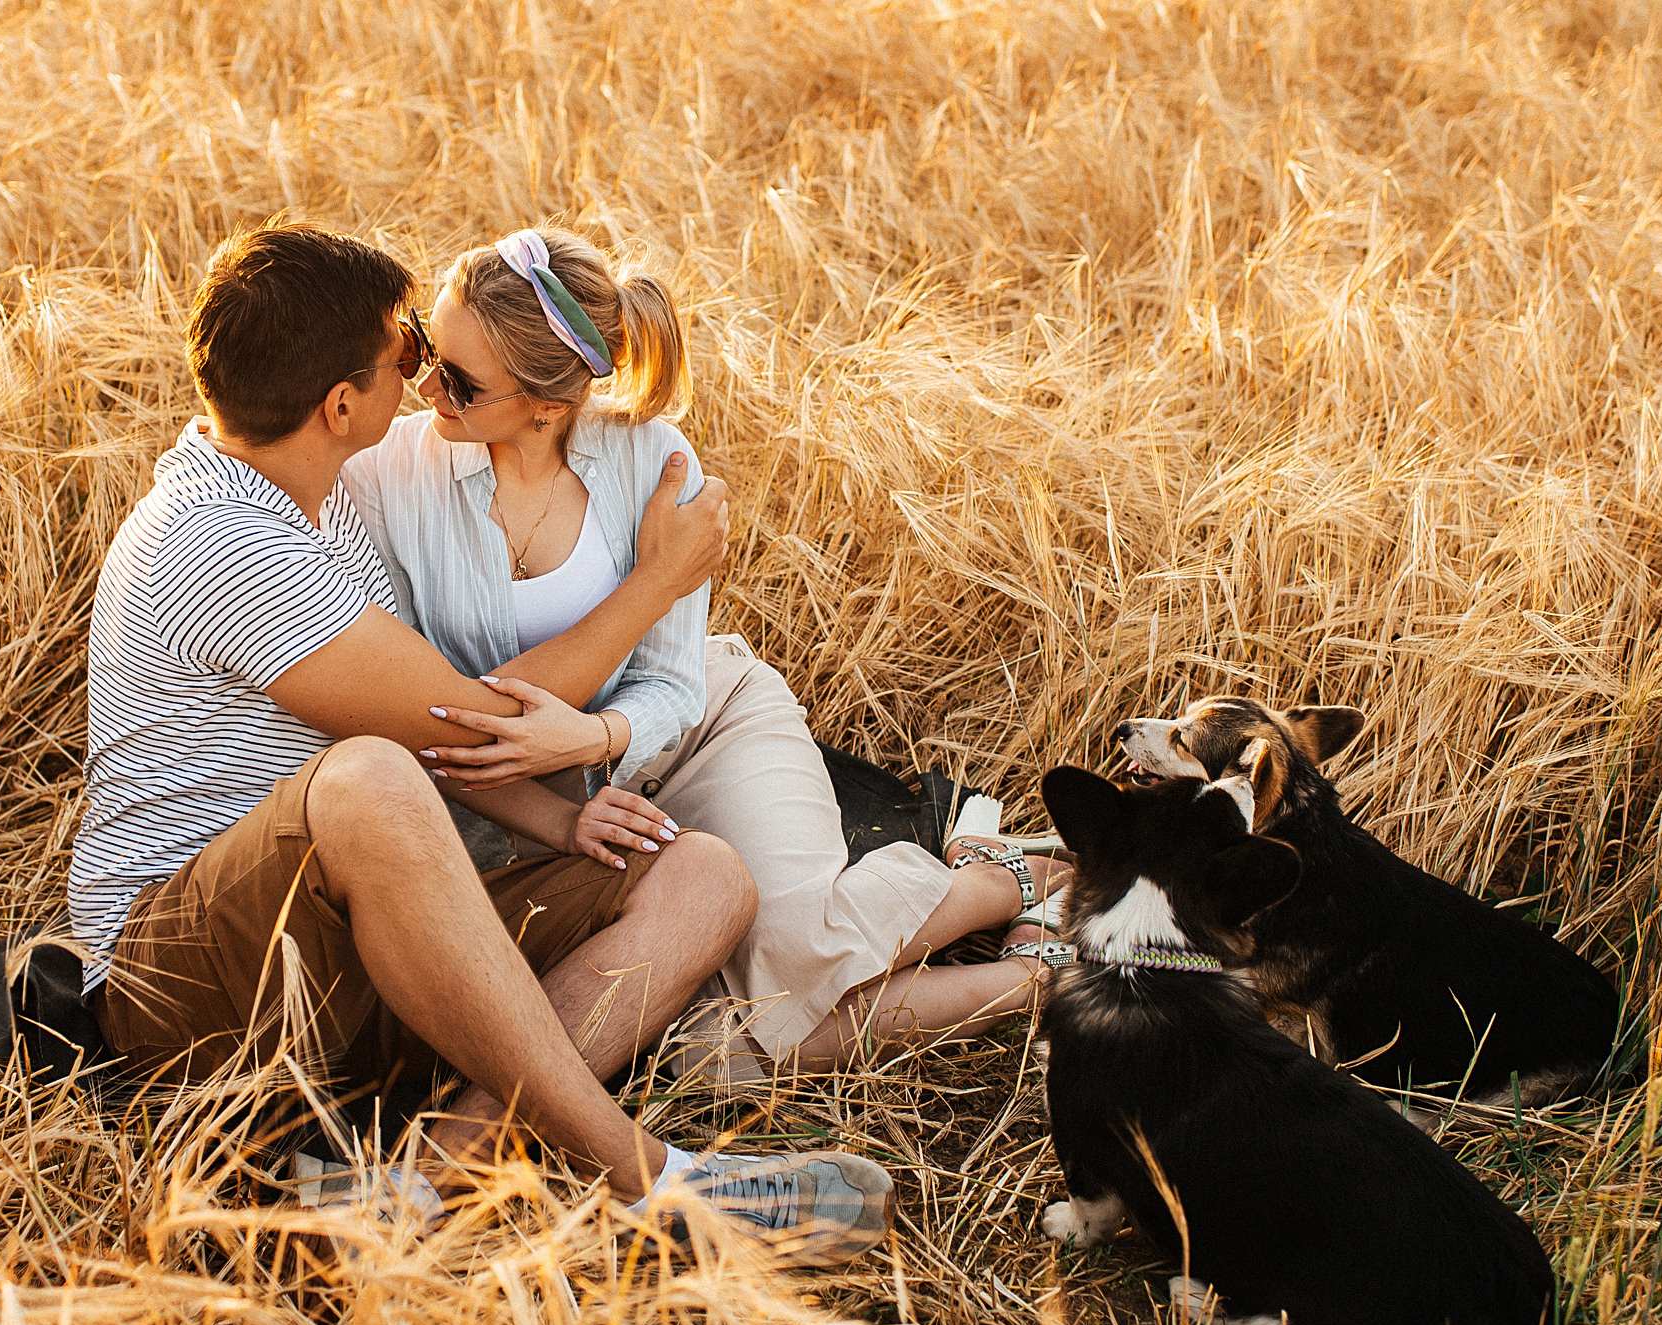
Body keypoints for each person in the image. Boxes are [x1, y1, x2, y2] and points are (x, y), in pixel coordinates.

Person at [66, 218, 894, 1264]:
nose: (417, 376)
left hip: (336, 955)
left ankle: (416, 1191)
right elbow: (458, 717)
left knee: (704, 878)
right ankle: (652, 1180)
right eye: (403, 350)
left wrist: (567, 819)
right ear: (340, 405)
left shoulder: (327, 508)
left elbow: (446, 732)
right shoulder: (218, 541)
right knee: (367, 776)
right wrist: (652, 585)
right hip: (182, 984)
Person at [340, 227, 1073, 1081]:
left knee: (800, 948)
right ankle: (1035, 978)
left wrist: (591, 738)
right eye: (429, 350)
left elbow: (674, 682)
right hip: (531, 799)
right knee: (717, 1050)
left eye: (460, 381)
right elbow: (430, 705)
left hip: (701, 728)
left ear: (546, 403)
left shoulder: (655, 462)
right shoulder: (389, 475)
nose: (426, 386)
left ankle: (1000, 880)